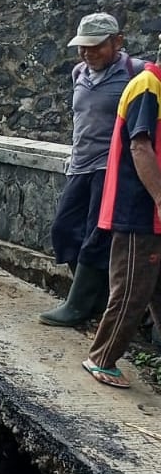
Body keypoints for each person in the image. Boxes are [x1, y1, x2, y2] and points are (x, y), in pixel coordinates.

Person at [41, 14, 148, 326]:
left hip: (112, 167)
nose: (87, 53)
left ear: (117, 42)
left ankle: (78, 306)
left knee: (96, 235)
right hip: (80, 164)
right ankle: (95, 297)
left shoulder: (136, 73)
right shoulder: (79, 73)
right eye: (82, 48)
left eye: (95, 47)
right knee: (63, 230)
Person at [81, 59, 161, 388]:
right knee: (131, 289)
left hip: (148, 211)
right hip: (137, 210)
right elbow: (140, 146)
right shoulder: (148, 85)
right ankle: (102, 357)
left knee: (155, 290)